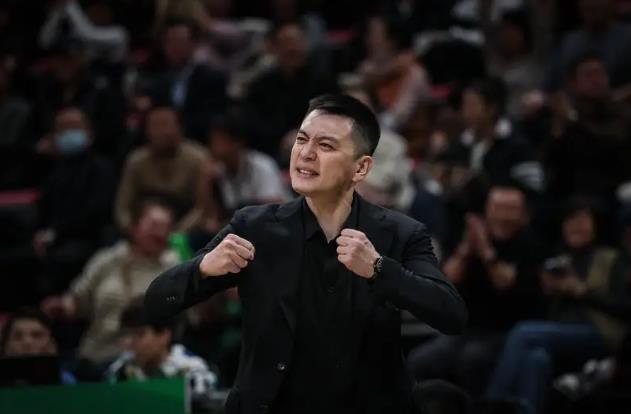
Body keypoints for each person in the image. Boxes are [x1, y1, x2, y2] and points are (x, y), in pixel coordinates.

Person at [145, 94, 467, 414]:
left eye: (326, 145)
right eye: (302, 139)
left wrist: (380, 269)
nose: (306, 153)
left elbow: (451, 315)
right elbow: (158, 301)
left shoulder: (400, 233)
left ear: (360, 168)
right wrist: (202, 268)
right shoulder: (254, 227)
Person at [486, 197, 629, 413]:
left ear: (595, 224)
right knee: (536, 358)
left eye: (581, 221)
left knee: (523, 332)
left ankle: (489, 407)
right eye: (569, 221)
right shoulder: (558, 259)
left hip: (601, 333)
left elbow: (624, 305)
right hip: (562, 334)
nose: (574, 227)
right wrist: (548, 290)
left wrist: (582, 291)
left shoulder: (612, 258)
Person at [407, 185, 544, 396]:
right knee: (420, 360)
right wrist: (466, 248)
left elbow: (504, 283)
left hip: (508, 331)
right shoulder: (469, 238)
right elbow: (447, 280)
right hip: (467, 330)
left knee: (472, 359)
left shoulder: (530, 244)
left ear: (524, 215)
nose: (503, 216)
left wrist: (485, 250)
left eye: (510, 210)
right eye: (497, 208)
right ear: (486, 211)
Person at [41, 199, 179, 379]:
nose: (160, 233)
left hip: (140, 363)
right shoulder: (107, 259)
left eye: (166, 227)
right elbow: (77, 302)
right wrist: (60, 306)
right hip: (94, 356)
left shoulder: (173, 266)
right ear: (134, 226)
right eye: (154, 225)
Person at [107, 298, 217, 408]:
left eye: (139, 334)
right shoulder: (119, 371)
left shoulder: (193, 373)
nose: (129, 342)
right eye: (126, 334)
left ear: (164, 335)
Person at [115, 106, 207, 232]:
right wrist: (131, 229)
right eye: (155, 125)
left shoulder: (198, 159)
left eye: (165, 124)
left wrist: (176, 233)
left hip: (182, 229)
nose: (160, 131)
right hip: (140, 228)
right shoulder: (136, 160)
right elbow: (122, 206)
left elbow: (201, 208)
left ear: (180, 128)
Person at [0, 307, 75, 385]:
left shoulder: (69, 383)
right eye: (18, 336)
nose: (27, 342)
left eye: (37, 335)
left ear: (52, 345)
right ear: (5, 346)